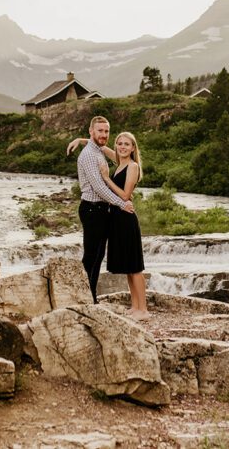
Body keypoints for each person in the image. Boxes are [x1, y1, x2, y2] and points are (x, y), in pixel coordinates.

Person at [68, 131, 148, 319]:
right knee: (129, 266)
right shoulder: (120, 160)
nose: (121, 147)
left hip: (126, 218)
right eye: (119, 143)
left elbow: (125, 196)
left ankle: (143, 309)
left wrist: (106, 179)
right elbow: (99, 145)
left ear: (133, 148)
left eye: (126, 144)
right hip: (118, 218)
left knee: (135, 267)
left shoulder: (133, 166)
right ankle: (135, 306)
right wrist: (81, 140)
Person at [72, 115, 134, 304]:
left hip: (100, 210)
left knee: (98, 256)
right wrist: (122, 203)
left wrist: (82, 140)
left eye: (106, 131)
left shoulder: (97, 150)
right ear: (91, 131)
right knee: (90, 256)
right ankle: (82, 297)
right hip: (91, 210)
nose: (104, 134)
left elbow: (118, 159)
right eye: (100, 130)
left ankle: (91, 297)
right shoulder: (89, 155)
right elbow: (99, 187)